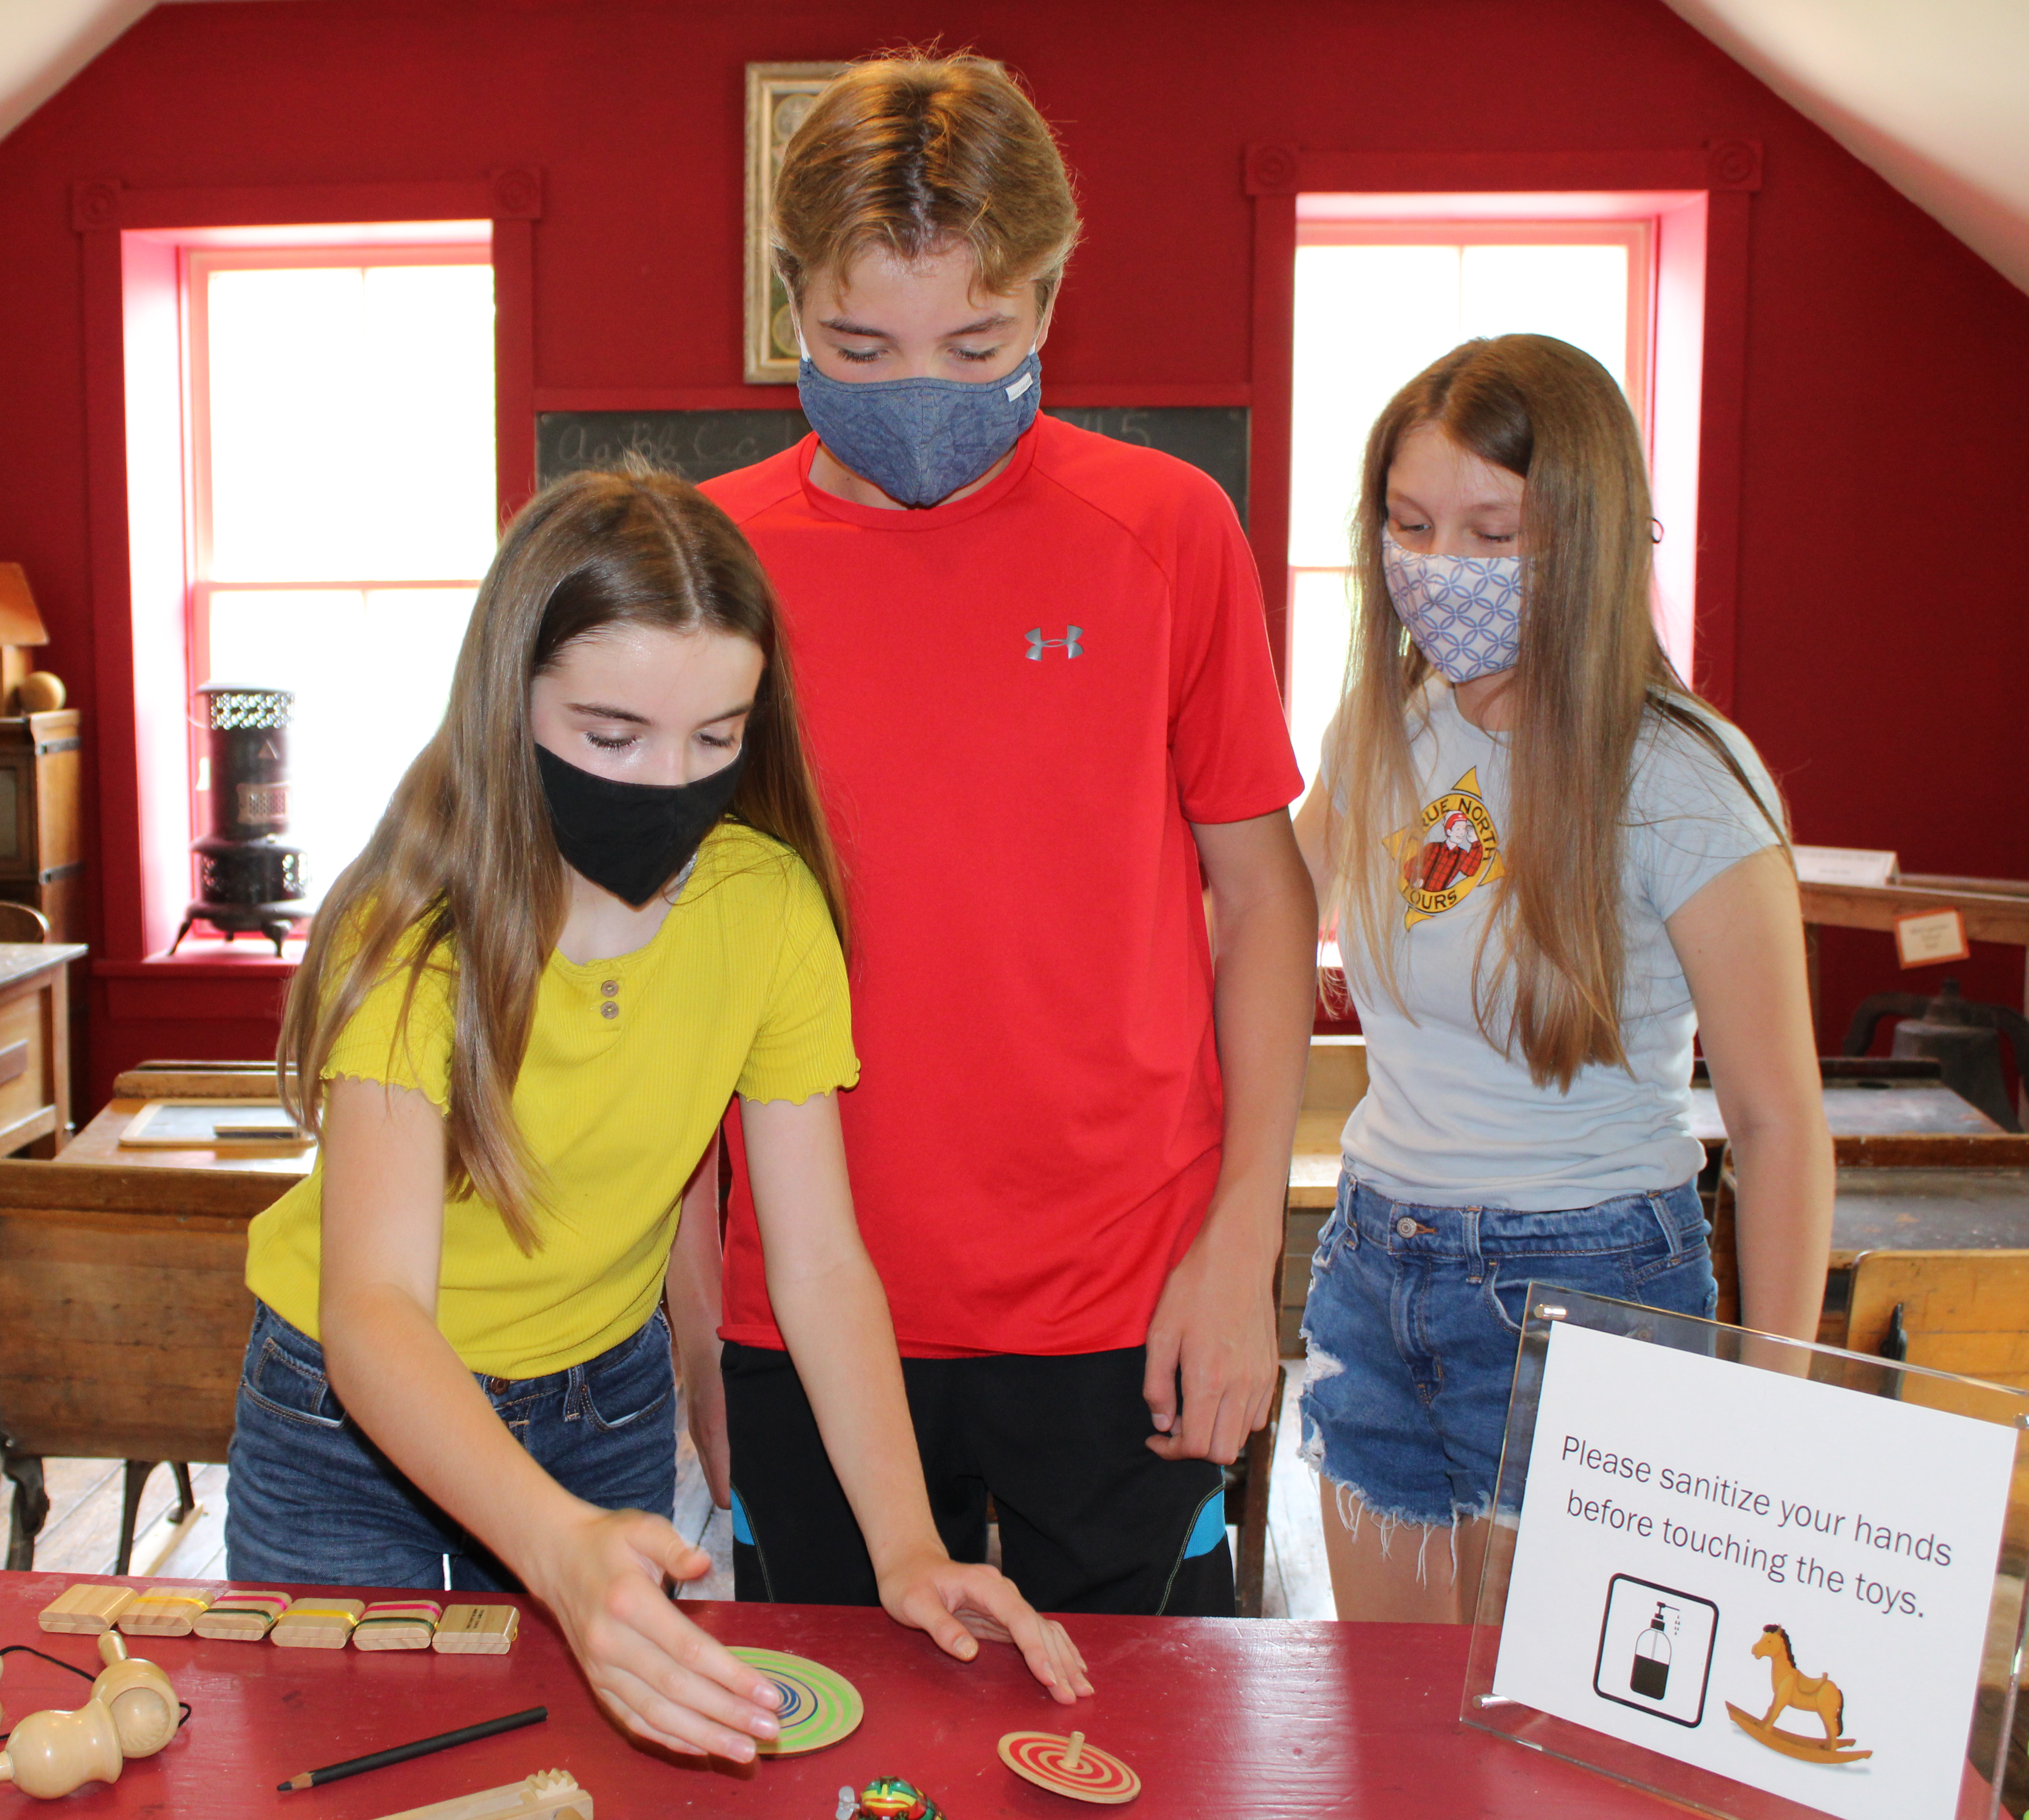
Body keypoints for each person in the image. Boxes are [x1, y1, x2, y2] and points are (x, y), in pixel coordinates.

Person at [224, 468, 1088, 1763]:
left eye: (716, 739)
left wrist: (907, 1544)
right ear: (508, 702)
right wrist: (555, 1545)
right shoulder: (415, 936)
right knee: (336, 1772)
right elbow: (376, 1314)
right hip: (350, 1429)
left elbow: (818, 1261)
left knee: (597, 1780)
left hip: (602, 1407)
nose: (669, 786)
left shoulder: (769, 908)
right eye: (613, 737)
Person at [691, 51, 1317, 1618]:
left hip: (1124, 1302)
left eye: (975, 343)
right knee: (835, 1760)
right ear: (791, 309)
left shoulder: (1168, 529)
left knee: (1132, 1754)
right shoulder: (710, 557)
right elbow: (661, 957)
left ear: (1049, 301)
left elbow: (1263, 905)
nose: (920, 391)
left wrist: (1243, 1252)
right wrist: (689, 1319)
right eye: (860, 343)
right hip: (802, 1311)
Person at [1290, 334, 1834, 1621]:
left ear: (1588, 541)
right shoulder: (1383, 726)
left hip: (1591, 1287)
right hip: (1373, 1260)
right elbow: (1250, 930)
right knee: (1384, 1728)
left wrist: (1780, 1396)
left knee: (1550, 1757)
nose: (1441, 571)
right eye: (1412, 526)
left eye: (1494, 533)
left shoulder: (1685, 777)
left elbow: (1777, 1119)